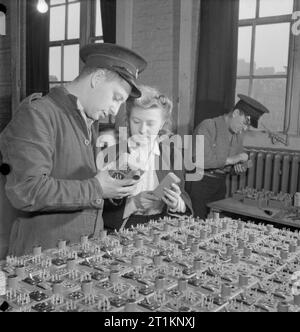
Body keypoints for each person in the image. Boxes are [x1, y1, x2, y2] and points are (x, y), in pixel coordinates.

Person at [0, 43, 147, 256]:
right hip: (43, 257)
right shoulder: (37, 114)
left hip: (83, 251)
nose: (114, 111)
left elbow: (79, 178)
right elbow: (26, 191)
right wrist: (98, 188)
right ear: (97, 79)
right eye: (116, 98)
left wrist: (115, 183)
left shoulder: (88, 120)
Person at [102, 85, 193, 231]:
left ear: (162, 123)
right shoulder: (114, 155)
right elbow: (100, 210)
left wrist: (177, 203)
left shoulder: (171, 155)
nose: (142, 130)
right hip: (123, 228)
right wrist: (133, 204)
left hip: (161, 227)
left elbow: (184, 197)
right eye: (136, 122)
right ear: (128, 120)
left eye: (150, 123)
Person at [188, 94, 269, 219]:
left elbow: (230, 166)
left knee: (216, 225)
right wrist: (234, 159)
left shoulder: (237, 134)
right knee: (197, 224)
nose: (244, 129)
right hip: (199, 183)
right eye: (244, 123)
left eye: (248, 126)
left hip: (219, 184)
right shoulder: (208, 126)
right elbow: (200, 160)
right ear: (236, 113)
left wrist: (237, 168)